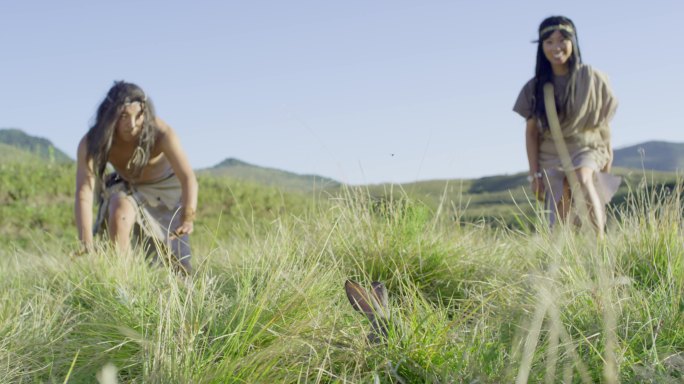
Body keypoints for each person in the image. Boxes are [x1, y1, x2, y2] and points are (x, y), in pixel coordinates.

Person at [75, 81, 198, 274]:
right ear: (109, 114)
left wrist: (187, 217)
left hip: (165, 192)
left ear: (145, 112)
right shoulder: (94, 141)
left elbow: (188, 178)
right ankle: (122, 279)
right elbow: (84, 191)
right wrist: (86, 241)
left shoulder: (162, 133)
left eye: (138, 116)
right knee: (119, 209)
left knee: (178, 266)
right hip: (128, 185)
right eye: (123, 116)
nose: (131, 124)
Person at [513, 16, 618, 233]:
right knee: (561, 201)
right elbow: (531, 133)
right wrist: (534, 175)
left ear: (573, 41)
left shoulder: (592, 78)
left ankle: (600, 245)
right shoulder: (534, 88)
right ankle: (563, 256)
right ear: (541, 47)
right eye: (549, 42)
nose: (556, 47)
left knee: (580, 177)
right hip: (551, 153)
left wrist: (608, 158)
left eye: (562, 40)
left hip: (587, 146)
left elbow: (604, 125)